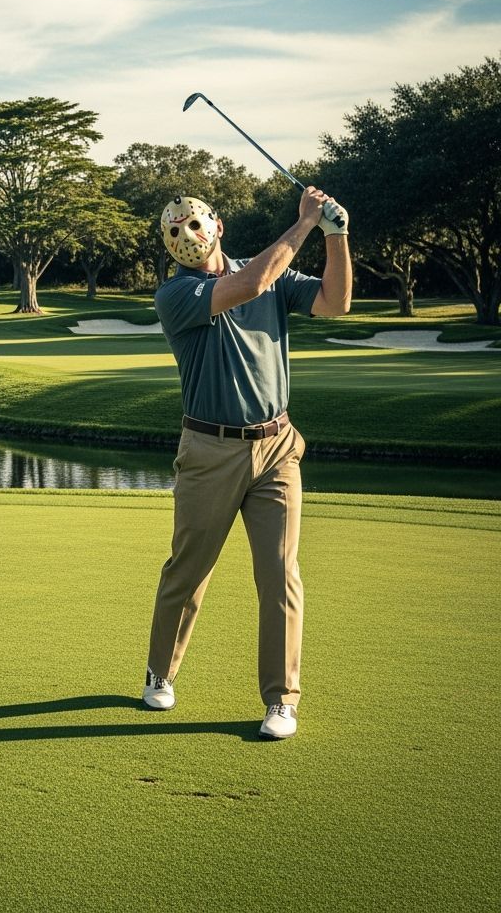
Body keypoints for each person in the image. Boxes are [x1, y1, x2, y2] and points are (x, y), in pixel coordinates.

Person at [143, 187, 351, 740]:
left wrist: (337, 235)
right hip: (209, 450)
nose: (187, 235)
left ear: (218, 225)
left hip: (277, 446)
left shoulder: (274, 274)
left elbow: (336, 302)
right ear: (168, 248)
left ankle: (281, 700)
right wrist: (306, 222)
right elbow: (251, 283)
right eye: (174, 231)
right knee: (190, 570)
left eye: (193, 223)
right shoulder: (177, 295)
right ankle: (159, 671)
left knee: (280, 574)